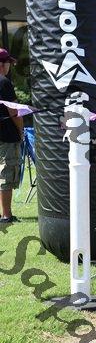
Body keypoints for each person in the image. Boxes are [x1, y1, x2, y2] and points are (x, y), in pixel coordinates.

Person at [0, 48, 23, 223]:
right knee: (6, 174)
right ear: (2, 64)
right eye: (9, 62)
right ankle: (6, 215)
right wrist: (21, 131)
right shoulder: (4, 82)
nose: (10, 66)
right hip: (6, 135)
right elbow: (14, 111)